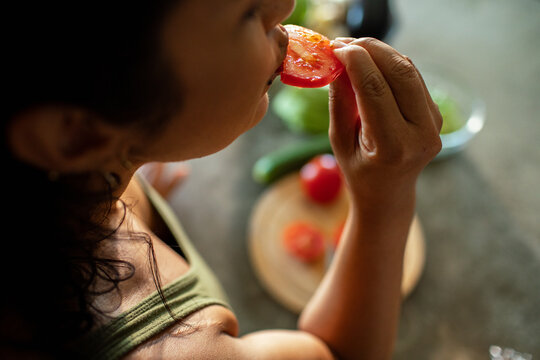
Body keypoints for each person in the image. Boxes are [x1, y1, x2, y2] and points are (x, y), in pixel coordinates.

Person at [1, 0, 442, 359]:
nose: (286, 7)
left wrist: (135, 168)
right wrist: (385, 197)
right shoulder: (187, 350)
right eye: (248, 12)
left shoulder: (62, 180)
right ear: (75, 134)